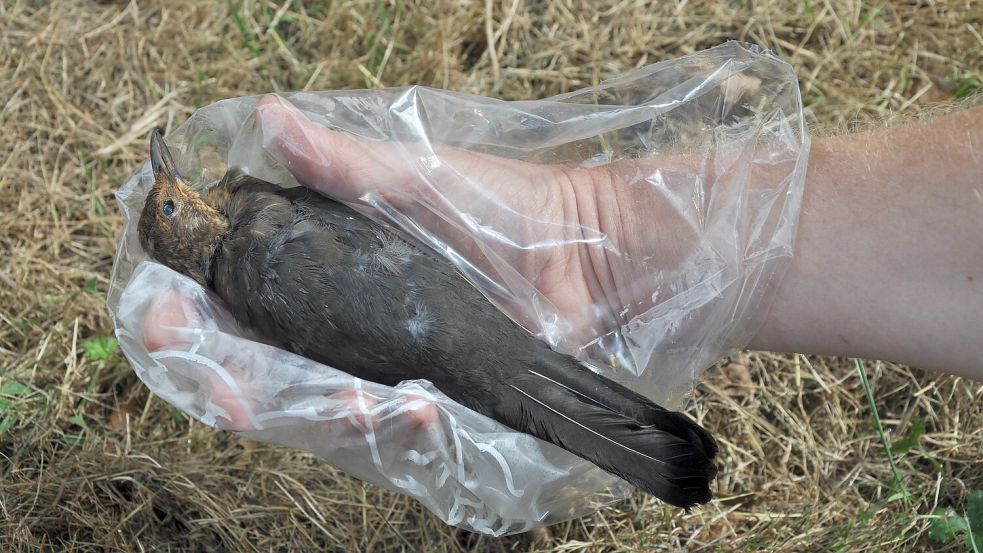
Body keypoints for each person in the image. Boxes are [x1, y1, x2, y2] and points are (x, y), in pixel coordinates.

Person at [142, 96, 983, 431]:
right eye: (174, 202)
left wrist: (587, 235)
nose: (183, 187)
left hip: (448, 313)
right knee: (519, 377)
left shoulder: (246, 255)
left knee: (522, 382)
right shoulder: (255, 240)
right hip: (443, 316)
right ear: (188, 231)